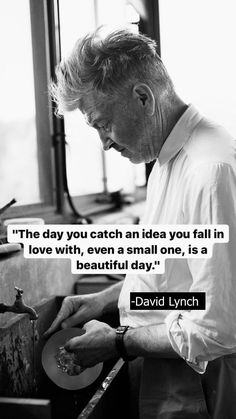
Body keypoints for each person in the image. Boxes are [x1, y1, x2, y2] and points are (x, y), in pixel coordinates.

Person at [46, 29, 236, 418]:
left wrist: (117, 341)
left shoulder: (209, 170)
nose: (104, 143)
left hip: (205, 388)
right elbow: (184, 278)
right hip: (177, 381)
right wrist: (112, 297)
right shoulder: (167, 160)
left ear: (144, 98)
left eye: (103, 123)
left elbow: (217, 329)